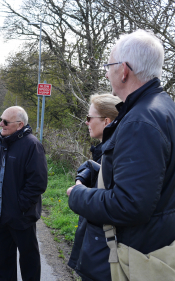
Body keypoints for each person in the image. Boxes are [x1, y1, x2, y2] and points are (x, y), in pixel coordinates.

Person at [67, 29, 175, 280]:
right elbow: (152, 180)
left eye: (109, 65)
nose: (106, 71)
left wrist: (79, 196)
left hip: (131, 257)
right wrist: (100, 170)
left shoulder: (140, 121)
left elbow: (131, 204)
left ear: (124, 70)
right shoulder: (163, 107)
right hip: (153, 245)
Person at [0, 106, 48, 281]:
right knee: (4, 266)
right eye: (1, 119)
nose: (0, 124)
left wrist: (20, 206)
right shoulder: (0, 142)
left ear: (19, 125)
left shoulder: (32, 145)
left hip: (22, 217)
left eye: (5, 122)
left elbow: (38, 183)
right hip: (1, 216)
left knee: (29, 265)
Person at [67, 93, 121, 281]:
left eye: (89, 118)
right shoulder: (106, 151)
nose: (86, 122)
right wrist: (86, 172)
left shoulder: (116, 153)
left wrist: (78, 193)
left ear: (106, 121)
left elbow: (114, 202)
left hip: (105, 254)